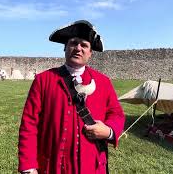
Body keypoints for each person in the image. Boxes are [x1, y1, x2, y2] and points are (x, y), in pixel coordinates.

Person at [18, 20, 125, 174]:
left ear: (90, 53)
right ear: (65, 48)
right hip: (53, 165)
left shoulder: (104, 82)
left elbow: (117, 114)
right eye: (73, 43)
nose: (78, 48)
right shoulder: (43, 80)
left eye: (84, 45)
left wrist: (108, 131)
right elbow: (29, 124)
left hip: (92, 166)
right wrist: (28, 166)